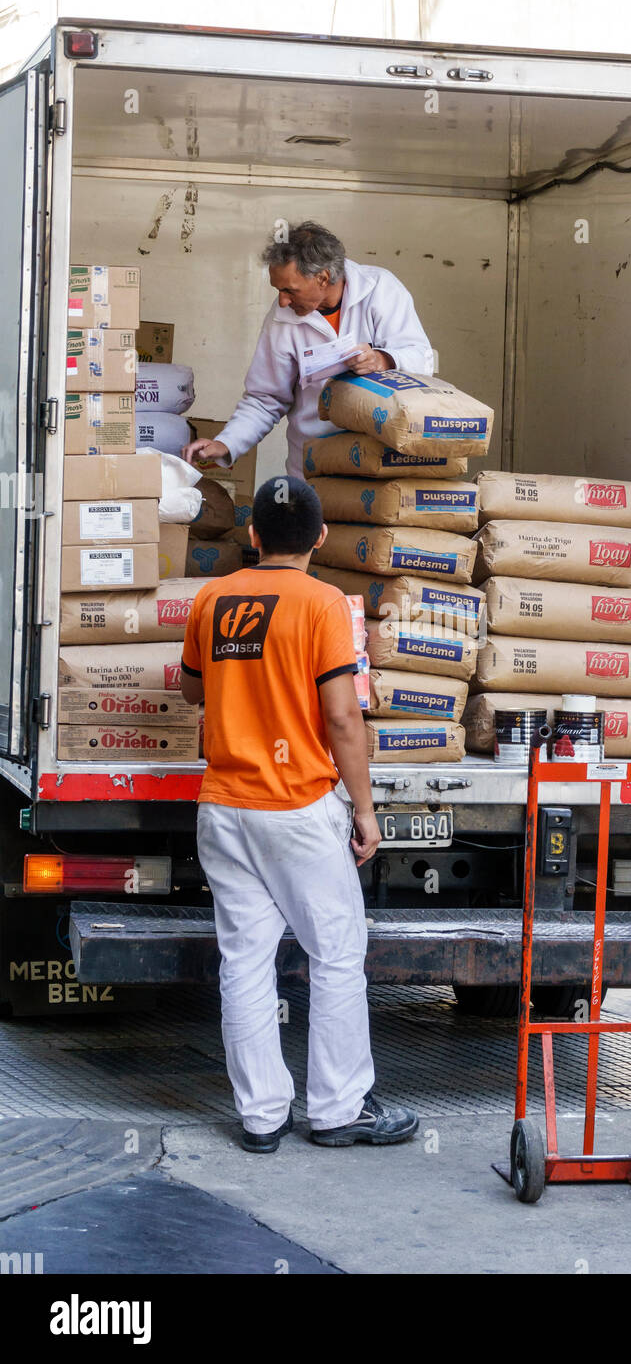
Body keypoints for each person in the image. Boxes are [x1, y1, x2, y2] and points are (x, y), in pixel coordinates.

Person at [180, 475, 418, 1152]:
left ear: (252, 536)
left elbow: (194, 690)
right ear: (319, 537)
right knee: (338, 953)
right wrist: (366, 810)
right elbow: (342, 716)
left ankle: (261, 1118)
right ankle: (340, 1110)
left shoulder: (212, 598)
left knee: (245, 960)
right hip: (297, 806)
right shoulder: (323, 606)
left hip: (225, 806)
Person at [181, 220, 435, 478]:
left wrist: (383, 359)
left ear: (323, 278)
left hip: (378, 463)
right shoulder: (282, 316)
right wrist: (226, 443)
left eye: (290, 290)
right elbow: (265, 398)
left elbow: (423, 359)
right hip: (313, 467)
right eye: (278, 289)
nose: (282, 300)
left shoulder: (379, 288)